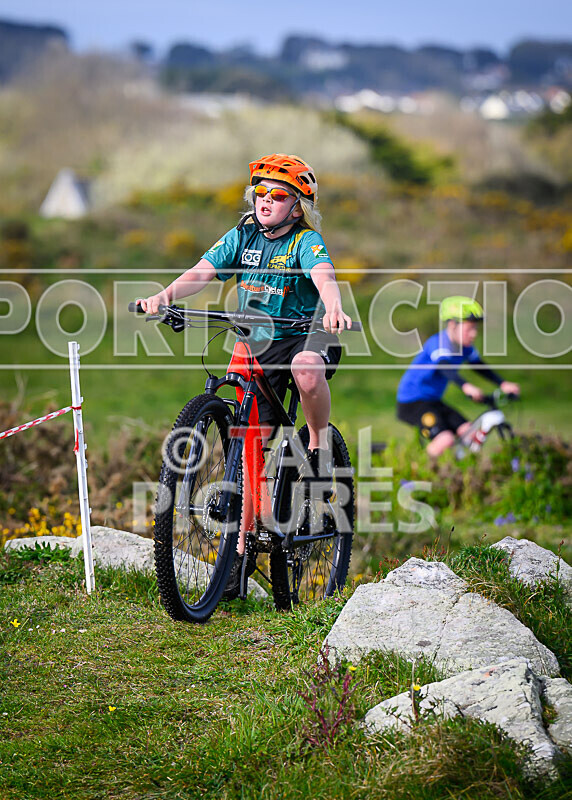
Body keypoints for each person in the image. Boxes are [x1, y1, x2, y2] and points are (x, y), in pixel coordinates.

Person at [138, 153, 352, 597]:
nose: (266, 200)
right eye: (261, 192)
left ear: (297, 207)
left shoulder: (305, 240)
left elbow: (324, 276)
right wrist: (166, 295)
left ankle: (317, 443)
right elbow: (202, 271)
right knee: (247, 439)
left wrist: (333, 306)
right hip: (256, 337)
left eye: (279, 195)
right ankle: (242, 546)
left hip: (306, 331)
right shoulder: (243, 234)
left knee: (306, 370)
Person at [396, 296, 520, 459]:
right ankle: (416, 471)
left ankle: (459, 468)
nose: (474, 333)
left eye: (475, 328)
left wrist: (502, 383)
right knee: (445, 439)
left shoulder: (465, 348)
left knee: (469, 432)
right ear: (452, 325)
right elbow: (444, 367)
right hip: (412, 402)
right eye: (469, 329)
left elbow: (479, 366)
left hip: (433, 401)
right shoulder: (439, 343)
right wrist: (466, 386)